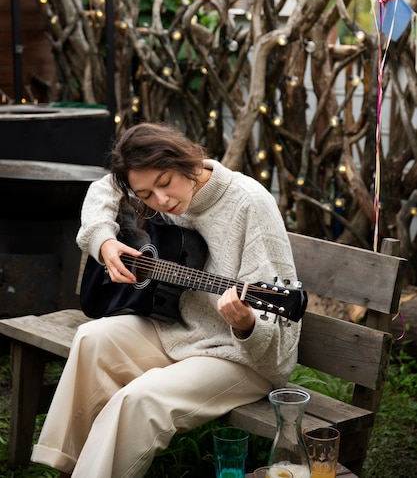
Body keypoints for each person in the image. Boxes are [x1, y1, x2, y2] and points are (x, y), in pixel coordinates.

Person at [31, 122, 301, 478]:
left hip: (242, 358)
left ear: (189, 163)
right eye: (145, 196)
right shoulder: (151, 189)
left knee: (138, 400)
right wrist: (103, 240)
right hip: (179, 329)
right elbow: (104, 188)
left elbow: (278, 345)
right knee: (91, 339)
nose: (162, 202)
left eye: (165, 183)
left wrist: (246, 324)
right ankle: (66, 466)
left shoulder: (249, 202)